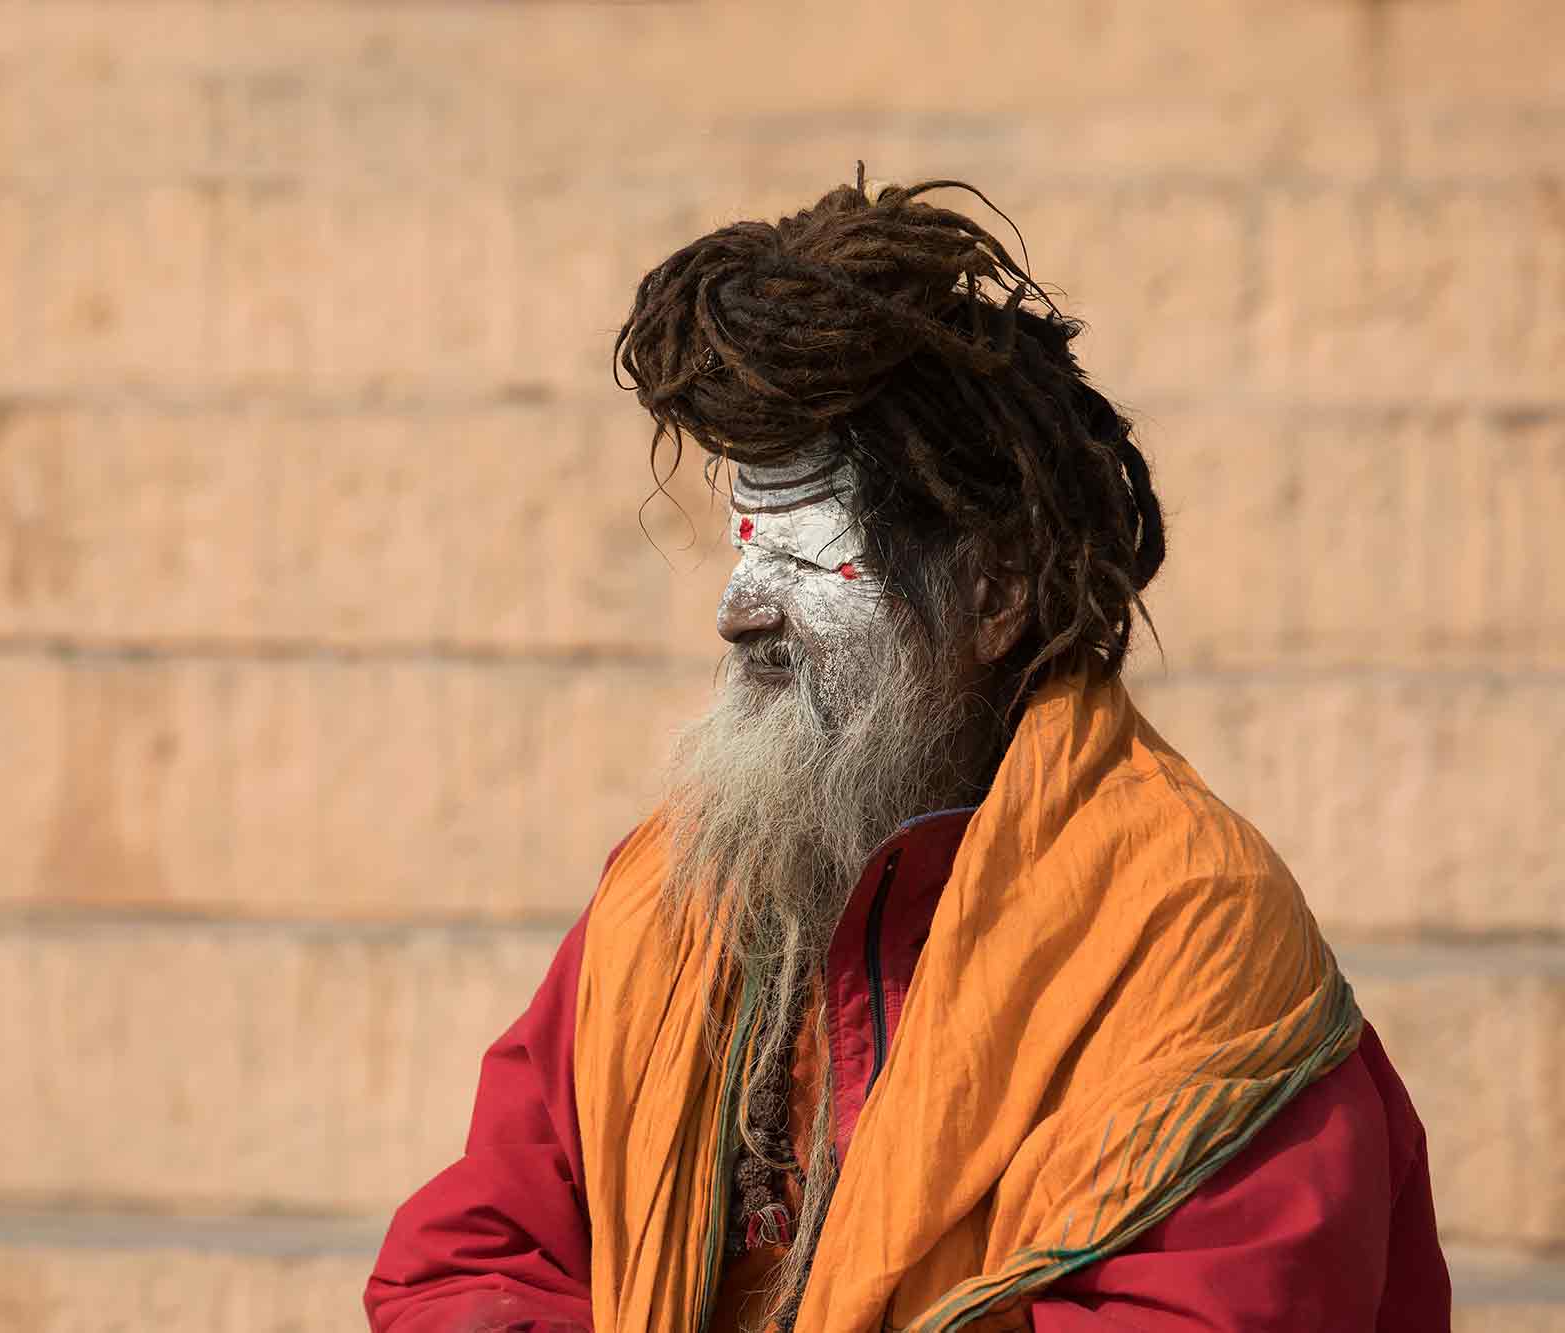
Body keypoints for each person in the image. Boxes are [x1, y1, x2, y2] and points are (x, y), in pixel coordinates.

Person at [364, 171, 1450, 1333]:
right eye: (742, 545)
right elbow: (470, 1259)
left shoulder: (1184, 928)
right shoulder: (669, 896)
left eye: (811, 555)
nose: (737, 607)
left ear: (993, 595)